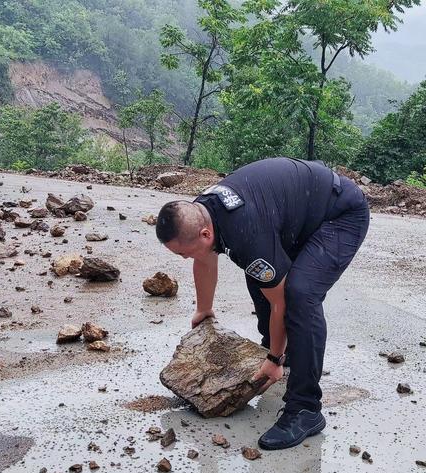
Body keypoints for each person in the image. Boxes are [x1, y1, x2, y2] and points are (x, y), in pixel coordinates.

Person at [155, 157, 370, 450]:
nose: (183, 258)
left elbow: (280, 301)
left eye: (183, 253)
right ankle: (289, 355)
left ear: (205, 234)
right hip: (299, 213)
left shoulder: (244, 231)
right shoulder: (201, 211)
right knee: (260, 275)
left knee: (299, 294)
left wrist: (272, 360)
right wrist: (204, 309)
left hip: (340, 214)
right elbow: (203, 258)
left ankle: (305, 409)